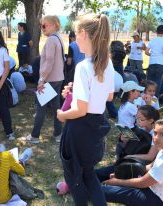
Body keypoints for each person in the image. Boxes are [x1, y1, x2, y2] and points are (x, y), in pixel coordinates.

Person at [57, 14, 114, 206]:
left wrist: (62, 114)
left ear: (82, 33)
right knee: (89, 175)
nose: (73, 38)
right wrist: (77, 91)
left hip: (79, 129)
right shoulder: (107, 64)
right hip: (97, 126)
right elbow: (109, 96)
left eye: (74, 33)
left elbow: (80, 110)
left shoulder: (83, 67)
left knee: (74, 179)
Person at [102, 119, 163, 206]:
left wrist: (117, 181)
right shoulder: (162, 151)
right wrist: (122, 174)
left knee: (104, 191)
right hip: (152, 190)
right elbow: (150, 167)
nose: (156, 138)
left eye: (162, 134)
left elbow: (142, 182)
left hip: (157, 199)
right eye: (155, 133)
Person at [25, 15, 64, 144]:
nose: (42, 28)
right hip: (57, 78)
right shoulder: (58, 38)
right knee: (56, 107)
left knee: (40, 109)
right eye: (41, 25)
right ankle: (58, 134)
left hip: (49, 79)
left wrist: (41, 80)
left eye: (44, 25)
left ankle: (35, 136)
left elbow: (49, 62)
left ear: (53, 25)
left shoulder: (51, 40)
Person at [95, 105, 160, 183]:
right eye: (136, 118)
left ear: (151, 120)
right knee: (100, 173)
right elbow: (136, 145)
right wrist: (124, 140)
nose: (137, 121)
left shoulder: (157, 134)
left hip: (143, 166)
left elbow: (150, 157)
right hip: (132, 161)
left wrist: (129, 156)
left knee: (99, 174)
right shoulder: (143, 128)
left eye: (141, 119)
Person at [146, 25, 163, 96]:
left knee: (149, 83)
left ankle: (147, 98)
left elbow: (146, 52)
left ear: (156, 32)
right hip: (160, 64)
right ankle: (155, 100)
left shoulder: (152, 40)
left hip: (152, 63)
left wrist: (153, 55)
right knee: (158, 83)